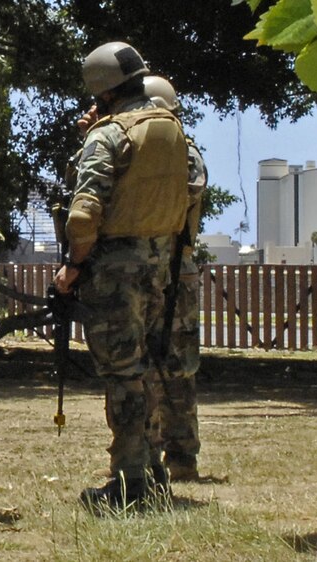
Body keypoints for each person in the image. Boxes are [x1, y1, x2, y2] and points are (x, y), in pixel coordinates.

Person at [54, 42, 192, 510]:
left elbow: (84, 213)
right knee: (147, 368)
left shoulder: (108, 136)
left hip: (115, 270)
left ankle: (130, 482)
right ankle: (153, 472)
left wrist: (73, 266)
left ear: (101, 89)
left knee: (122, 374)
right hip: (161, 264)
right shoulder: (171, 130)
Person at [140, 75, 207, 483]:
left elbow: (190, 189)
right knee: (140, 362)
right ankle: (146, 450)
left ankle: (181, 453)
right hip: (144, 267)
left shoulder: (185, 152)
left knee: (178, 366)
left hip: (175, 269)